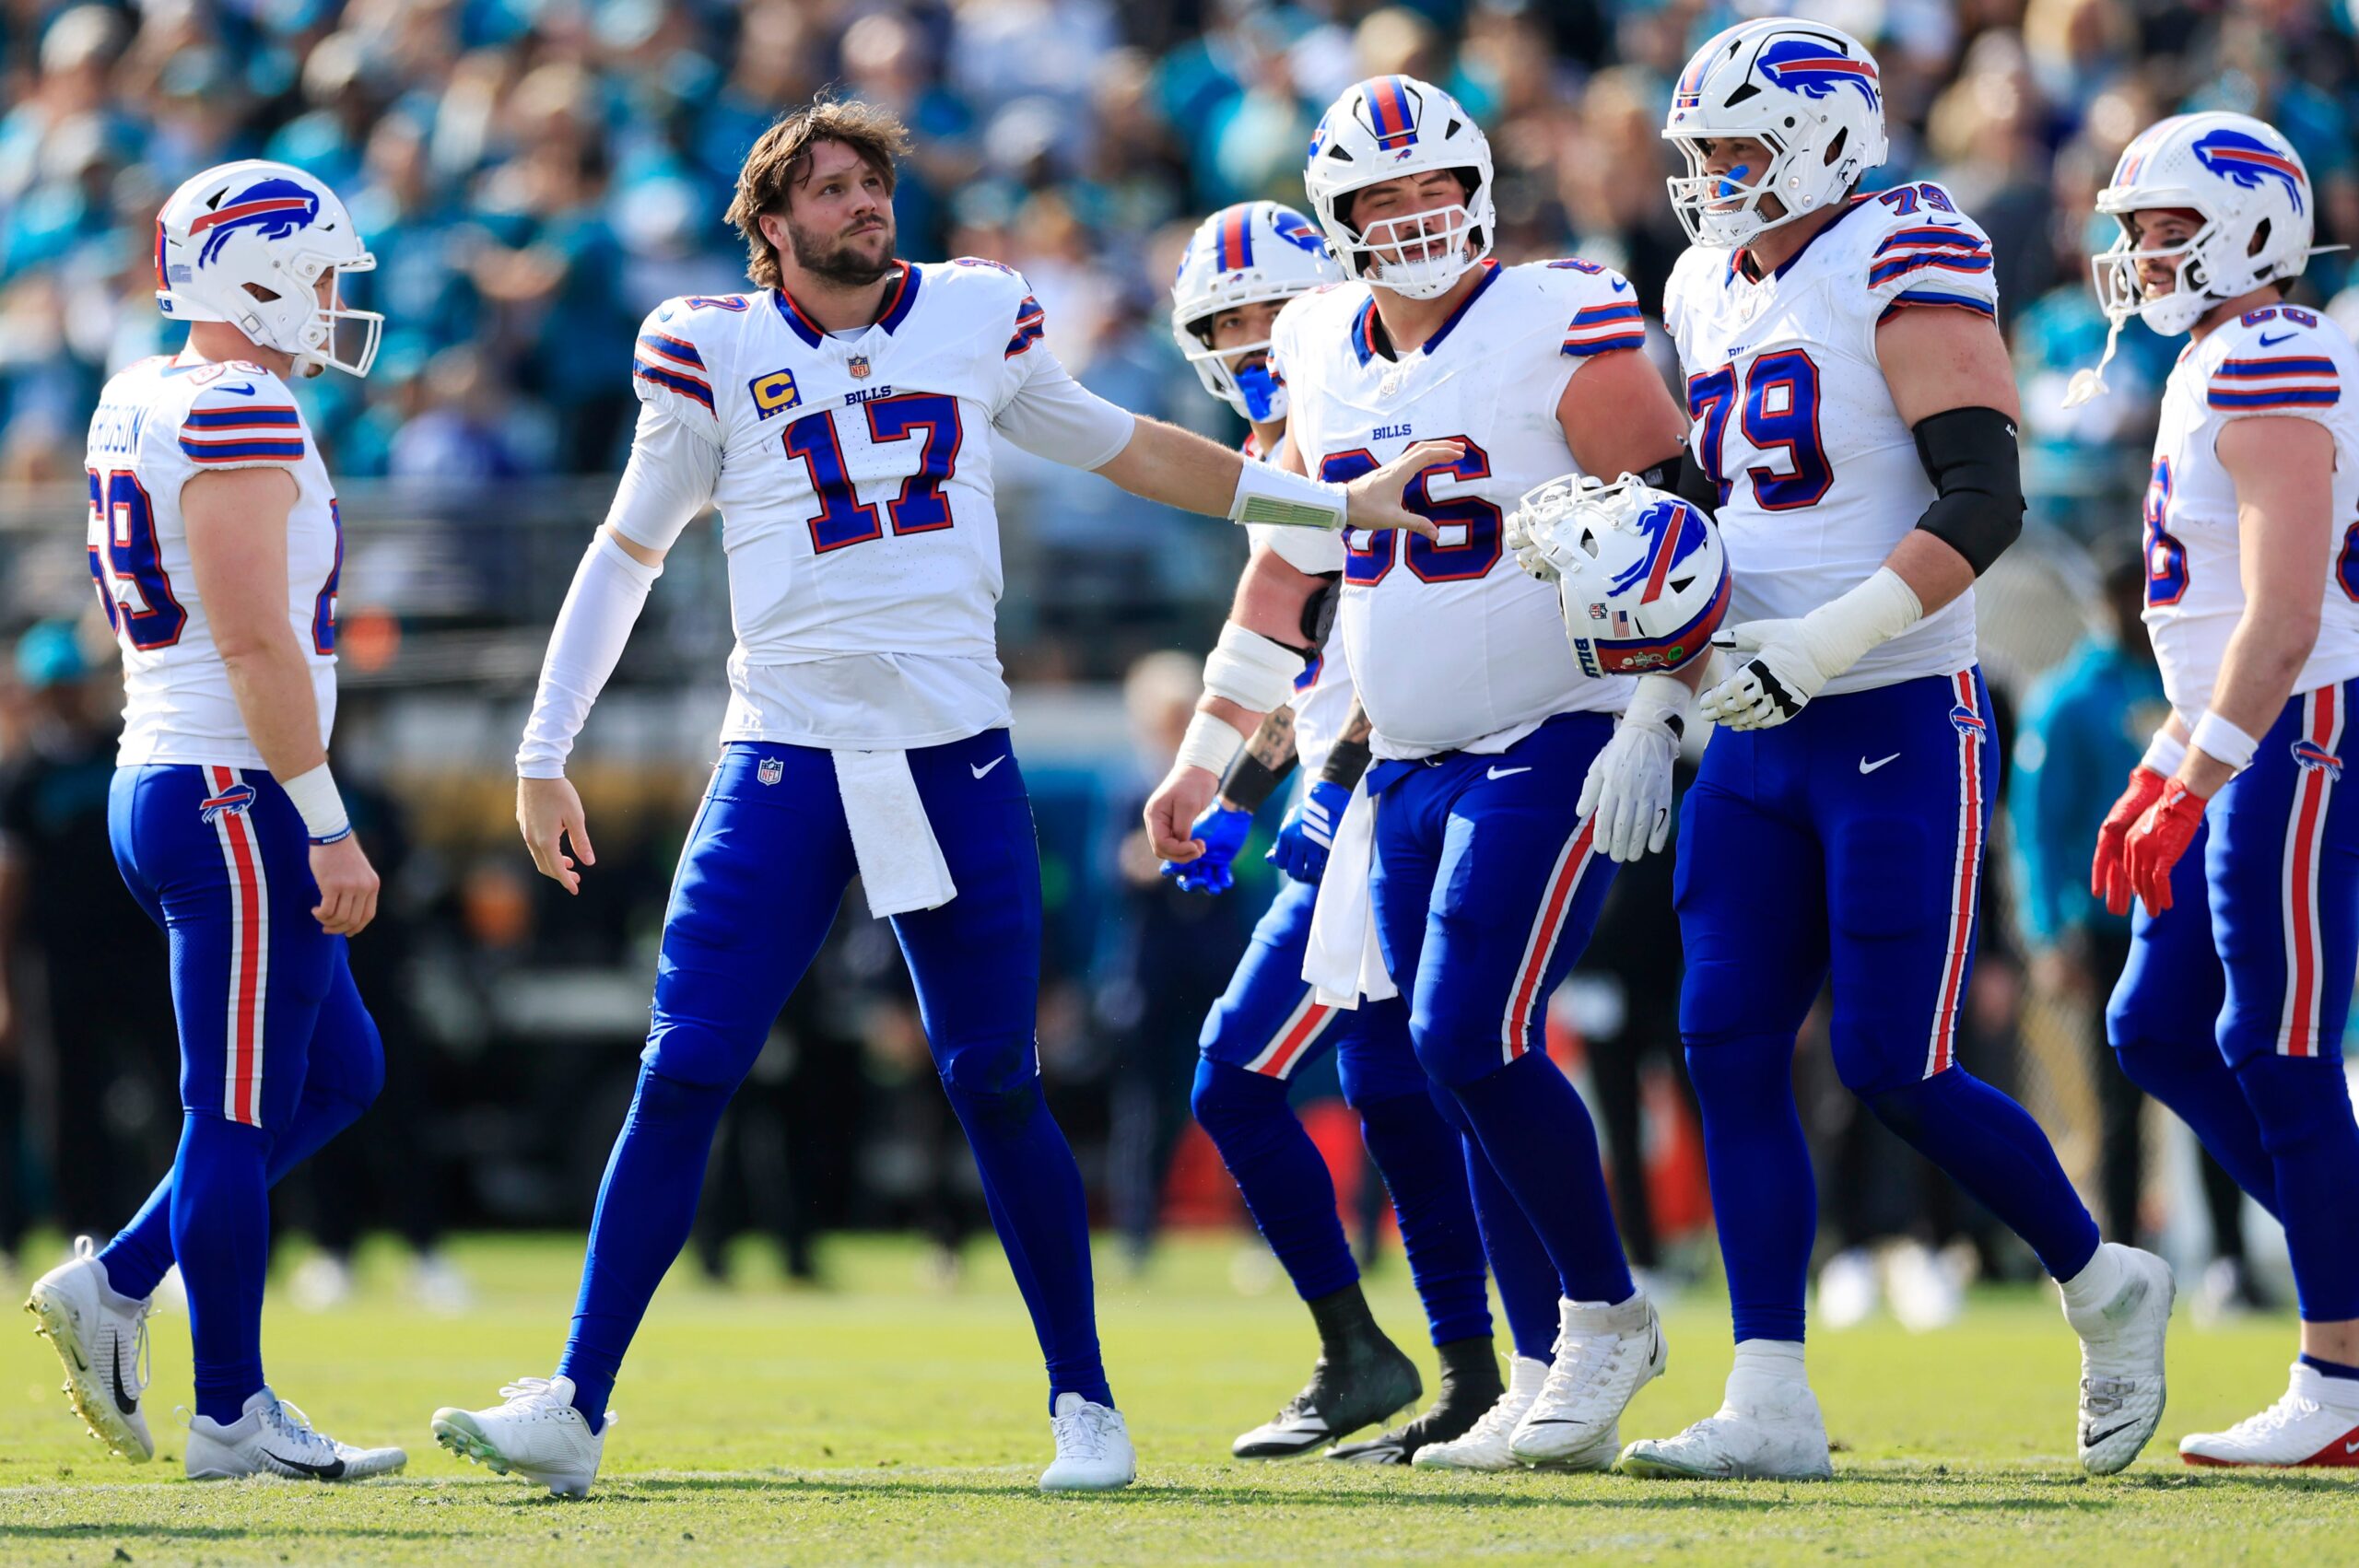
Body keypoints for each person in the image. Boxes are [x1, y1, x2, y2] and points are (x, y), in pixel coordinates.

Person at [426, 99, 1444, 1498]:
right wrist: (545, 747)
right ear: (771, 224)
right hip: (781, 753)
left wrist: (1325, 513)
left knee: (994, 1075)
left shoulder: (974, 315)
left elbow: (1131, 445)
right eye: (835, 189)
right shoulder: (706, 346)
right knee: (686, 1059)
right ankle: (575, 1402)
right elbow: (625, 552)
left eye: (875, 183)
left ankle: (1086, 1404)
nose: (867, 205)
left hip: (950, 749)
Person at [1615, 19, 2172, 1482]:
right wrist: (1658, 692)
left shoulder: (1903, 244)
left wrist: (1826, 642)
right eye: (1703, 151)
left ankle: (2105, 1280)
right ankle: (1771, 1391)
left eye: (1740, 145)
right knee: (1725, 1043)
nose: (1714, 177)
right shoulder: (1698, 281)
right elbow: (1698, 524)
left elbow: (1985, 496)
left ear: (1824, 135)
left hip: (1891, 714)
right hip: (1748, 718)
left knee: (1892, 1059)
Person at [1149, 74, 1708, 1474]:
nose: (1413, 217)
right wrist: (1209, 758)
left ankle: (1604, 1312)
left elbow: (1682, 517)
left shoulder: (1558, 308)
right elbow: (1286, 574)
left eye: (1432, 188)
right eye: (1381, 197)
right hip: (1405, 755)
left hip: (1556, 721)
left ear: (1476, 189)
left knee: (1466, 1032)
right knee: (1438, 1064)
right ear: (1335, 215)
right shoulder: (1317, 340)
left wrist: (1659, 711)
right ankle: (1528, 1366)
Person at [26, 158, 406, 1481]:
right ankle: (231, 1412)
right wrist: (325, 816)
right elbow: (252, 640)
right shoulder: (237, 404)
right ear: (253, 268)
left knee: (340, 1072)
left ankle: (121, 1275)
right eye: (315, 268)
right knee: (235, 1110)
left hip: (171, 778)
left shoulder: (143, 390)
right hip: (232, 791)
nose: (333, 295)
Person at [1156, 200, 1526, 1464]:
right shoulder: (1282, 446)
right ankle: (1442, 1364)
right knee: (1379, 1076)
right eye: (1227, 322)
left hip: (1411, 784)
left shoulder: (1366, 414)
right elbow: (1297, 656)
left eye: (1268, 313)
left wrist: (1335, 781)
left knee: (1300, 1072)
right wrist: (1234, 791)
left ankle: (1465, 1360)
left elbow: (1392, 637)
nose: (1251, 340)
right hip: (1354, 794)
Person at [2078, 111, 2359, 1468]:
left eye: (2171, 226)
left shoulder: (2274, 351)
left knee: (2275, 1040)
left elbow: (2286, 613)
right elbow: (2216, 615)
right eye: (2135, 231)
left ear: (2256, 223)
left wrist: (2196, 776)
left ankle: (2342, 1369)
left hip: (2303, 726)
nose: (2143, 255)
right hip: (2243, 726)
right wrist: (2160, 763)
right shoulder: (2212, 355)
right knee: (2155, 1021)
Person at [2013, 544, 2264, 1315]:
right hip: (2111, 919)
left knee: (2218, 1085)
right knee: (2121, 1107)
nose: (2132, 608)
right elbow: (2040, 826)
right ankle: (2121, 1258)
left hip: (2196, 912)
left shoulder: (2184, 684)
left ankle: (2228, 1259)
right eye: (2122, 594)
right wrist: (2050, 929)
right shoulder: (2071, 698)